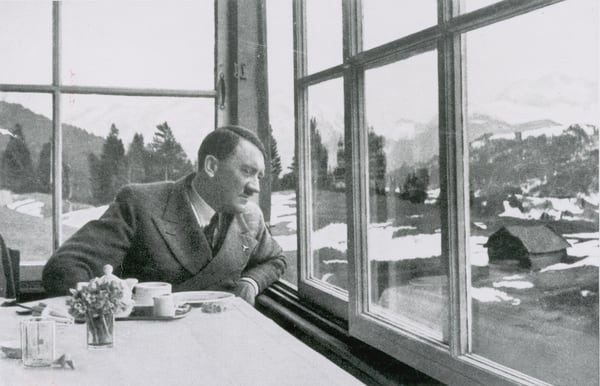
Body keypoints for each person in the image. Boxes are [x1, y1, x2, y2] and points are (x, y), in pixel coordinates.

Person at [42, 125, 286, 305]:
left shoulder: (250, 217)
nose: (255, 187)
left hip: (221, 342)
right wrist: (108, 303)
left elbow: (275, 260)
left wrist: (250, 282)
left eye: (259, 177)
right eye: (247, 172)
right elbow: (64, 268)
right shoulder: (140, 203)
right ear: (211, 166)